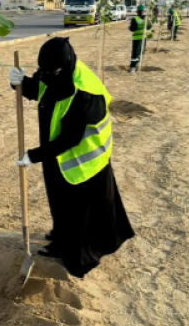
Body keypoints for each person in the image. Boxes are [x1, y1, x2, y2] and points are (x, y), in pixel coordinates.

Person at [8, 37, 135, 278]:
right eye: (42, 70)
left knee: (78, 211)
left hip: (84, 160)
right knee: (58, 200)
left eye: (50, 71)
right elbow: (41, 90)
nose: (44, 75)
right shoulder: (53, 72)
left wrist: (33, 156)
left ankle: (71, 251)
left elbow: (70, 139)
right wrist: (20, 83)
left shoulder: (84, 93)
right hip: (57, 155)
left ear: (65, 65)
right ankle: (60, 234)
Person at [129, 5, 152, 73]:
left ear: (137, 11)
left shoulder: (137, 19)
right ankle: (134, 65)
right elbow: (149, 27)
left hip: (140, 38)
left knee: (138, 52)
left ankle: (135, 64)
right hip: (140, 38)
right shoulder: (142, 19)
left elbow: (132, 29)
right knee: (138, 52)